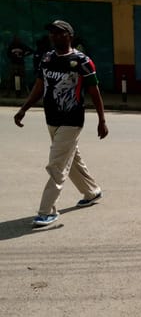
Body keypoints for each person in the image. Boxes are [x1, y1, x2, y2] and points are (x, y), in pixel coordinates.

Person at [13, 19, 108, 228]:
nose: (54, 36)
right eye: (52, 33)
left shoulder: (82, 61)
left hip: (72, 120)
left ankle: (46, 211)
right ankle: (91, 192)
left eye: (59, 33)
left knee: (56, 165)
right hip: (52, 119)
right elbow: (40, 86)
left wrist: (102, 120)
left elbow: (94, 91)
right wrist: (24, 108)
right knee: (70, 159)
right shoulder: (47, 59)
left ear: (69, 36)